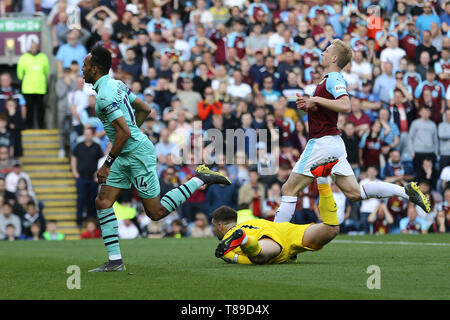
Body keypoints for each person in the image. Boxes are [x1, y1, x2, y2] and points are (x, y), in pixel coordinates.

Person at [81, 46, 231, 272]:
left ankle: (200, 178)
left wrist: (108, 162)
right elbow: (145, 108)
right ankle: (115, 261)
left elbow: (124, 132)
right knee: (102, 201)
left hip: (137, 155)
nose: (82, 69)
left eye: (85, 66)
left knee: (156, 213)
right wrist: (131, 133)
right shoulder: (117, 84)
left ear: (94, 68)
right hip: (126, 152)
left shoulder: (104, 96)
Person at [274, 39, 431, 228]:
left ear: (334, 58)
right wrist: (312, 104)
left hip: (322, 143)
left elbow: (345, 105)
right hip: (333, 143)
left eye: (326, 50)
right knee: (355, 193)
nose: (322, 52)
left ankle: (277, 241)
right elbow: (329, 108)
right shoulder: (327, 80)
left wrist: (314, 99)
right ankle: (405, 192)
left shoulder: (334, 78)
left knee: (289, 188)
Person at [212, 178, 341, 264]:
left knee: (258, 257)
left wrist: (231, 257)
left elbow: (247, 261)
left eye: (214, 226)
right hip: (285, 230)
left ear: (220, 225)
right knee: (332, 228)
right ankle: (323, 180)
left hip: (263, 239)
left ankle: (244, 240)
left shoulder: (226, 240)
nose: (214, 230)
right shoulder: (250, 220)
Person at [71, 127, 104, 228]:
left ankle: (91, 222)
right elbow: (73, 158)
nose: (87, 136)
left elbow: (101, 161)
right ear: (83, 135)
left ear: (92, 135)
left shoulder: (97, 147)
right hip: (81, 178)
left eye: (89, 134)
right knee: (81, 199)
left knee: (92, 200)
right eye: (85, 134)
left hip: (93, 179)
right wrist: (75, 172)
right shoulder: (79, 146)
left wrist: (97, 175)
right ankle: (79, 221)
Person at [16, 41, 50, 129]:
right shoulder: (23, 57)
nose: (33, 49)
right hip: (28, 88)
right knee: (29, 108)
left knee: (41, 108)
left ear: (37, 47)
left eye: (35, 47)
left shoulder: (43, 57)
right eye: (32, 47)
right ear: (29, 48)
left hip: (40, 88)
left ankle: (41, 126)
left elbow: (47, 71)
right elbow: (19, 73)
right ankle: (29, 126)